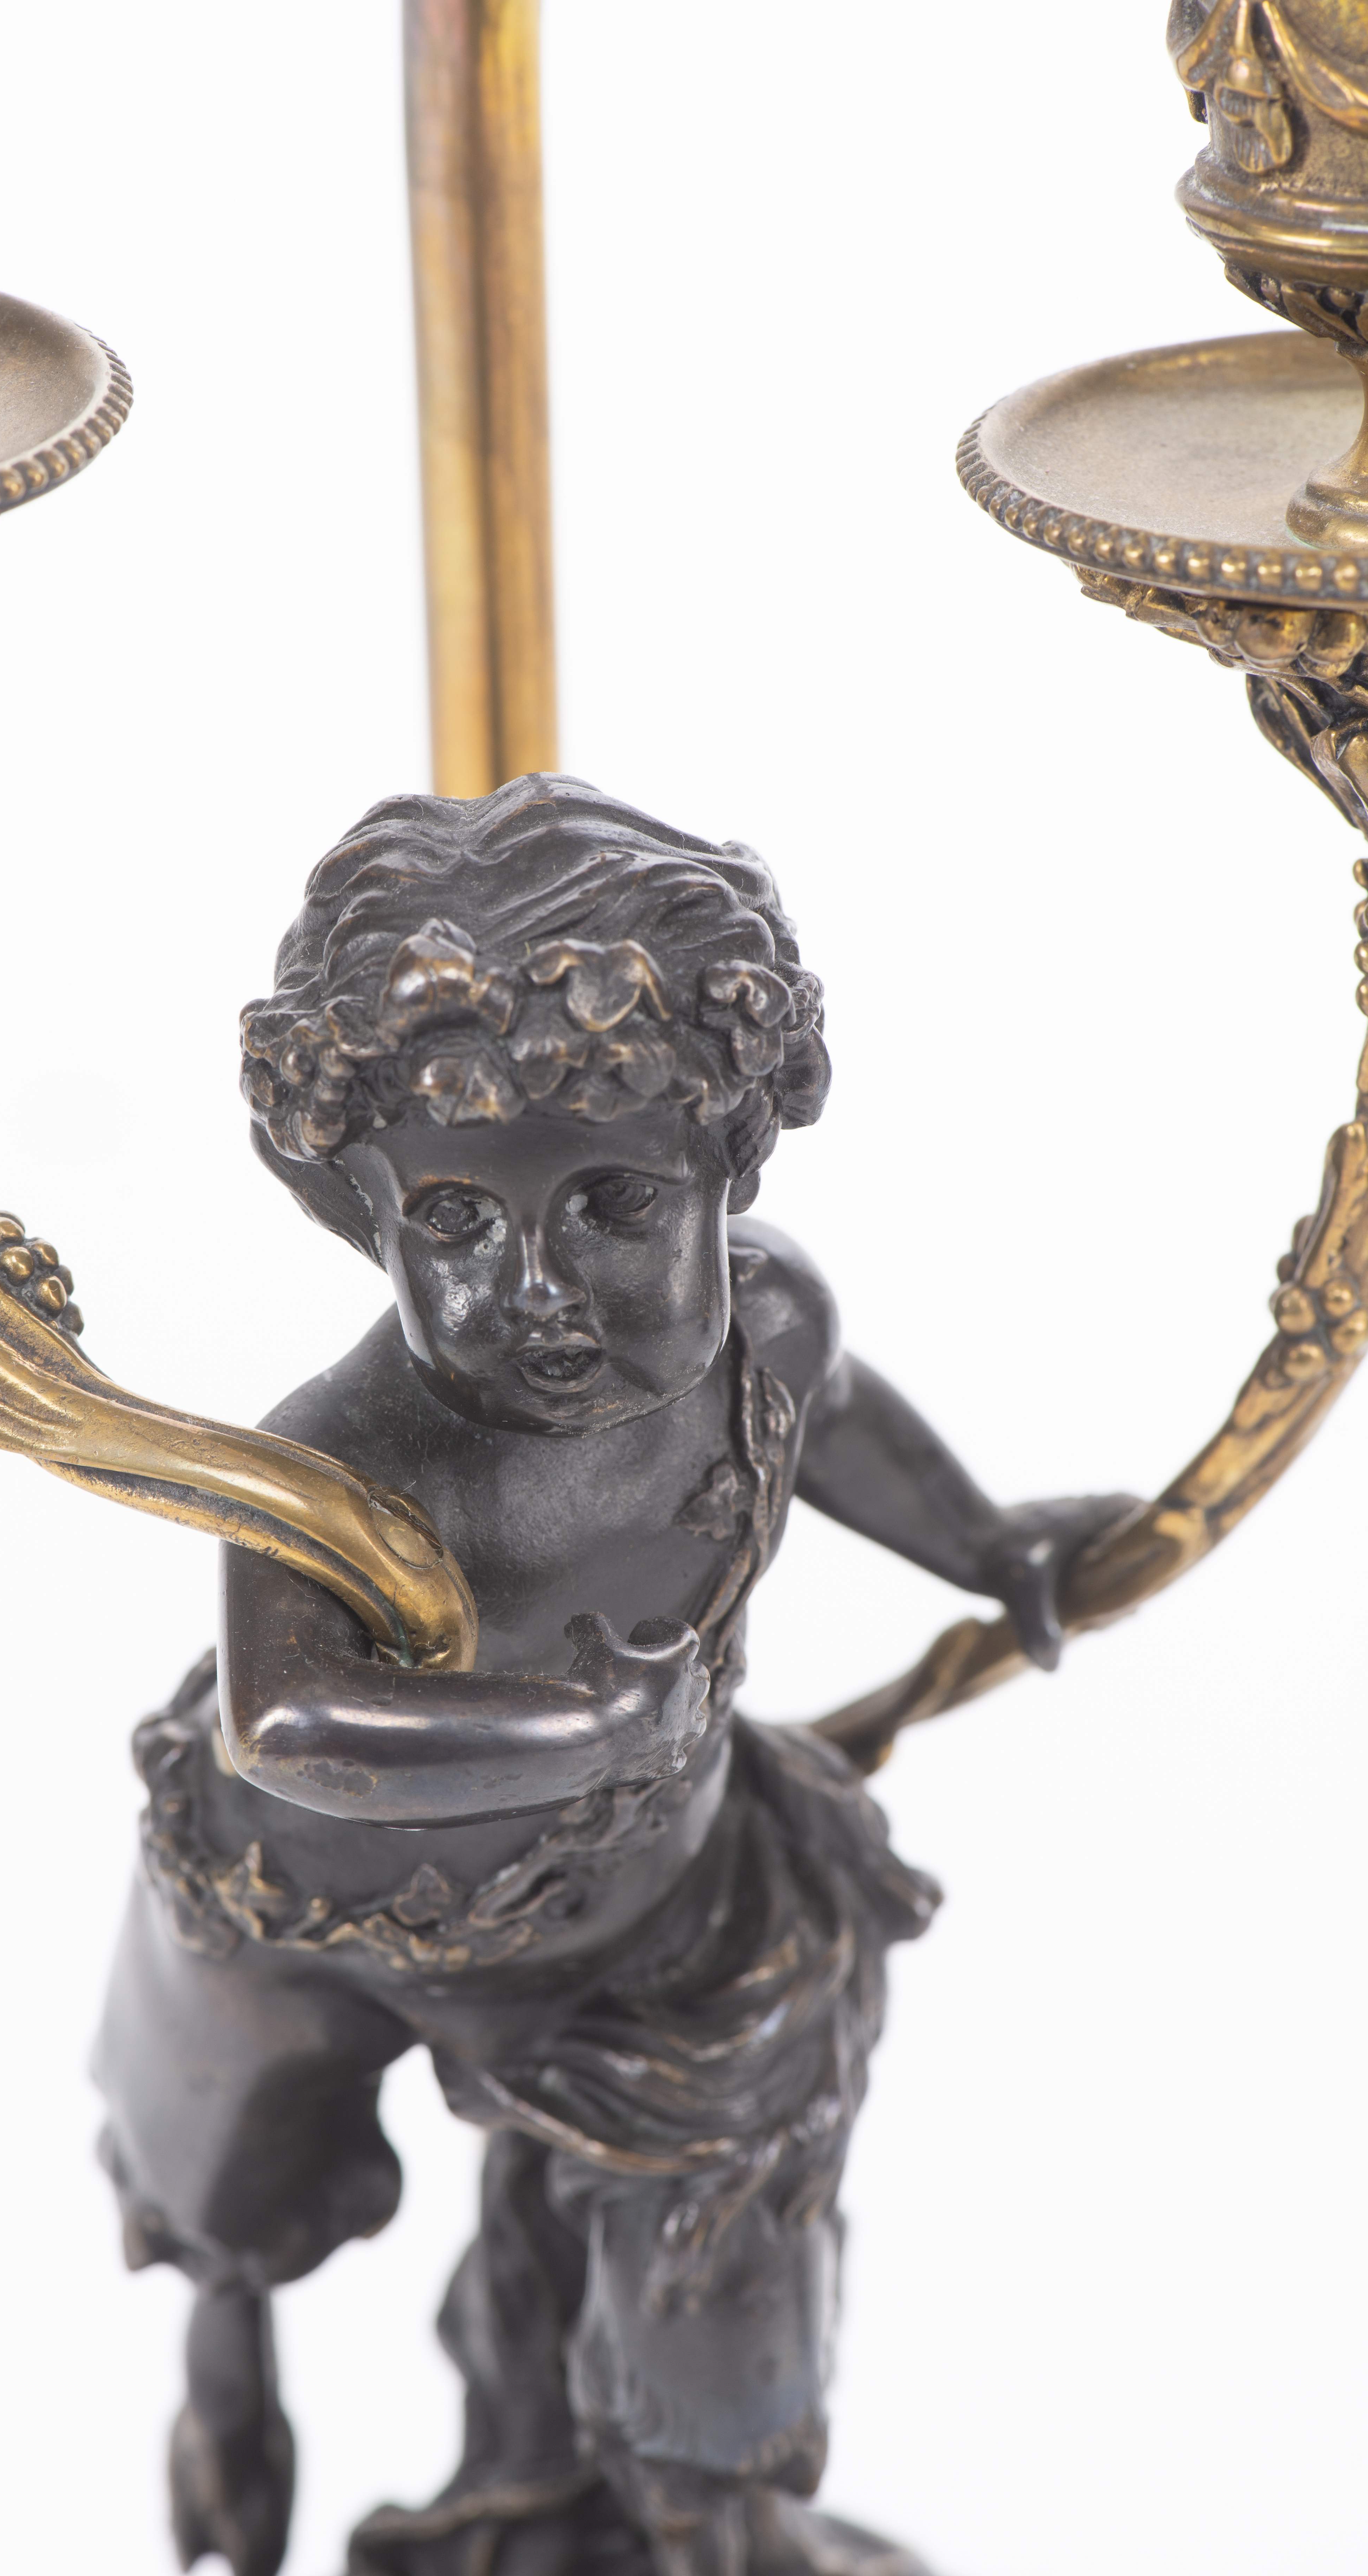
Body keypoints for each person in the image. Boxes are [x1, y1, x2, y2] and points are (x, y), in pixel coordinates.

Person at [94, 776, 1128, 2576]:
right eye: (453, 1220)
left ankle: (703, 2508)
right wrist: (583, 1721)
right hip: (303, 1903)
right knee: (229, 2197)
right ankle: (229, 2396)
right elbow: (288, 1721)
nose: (538, 1288)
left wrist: (990, 1546)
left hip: (644, 1902)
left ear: (731, 1160)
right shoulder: (331, 1464)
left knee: (729, 2246)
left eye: (614, 1202)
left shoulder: (763, 1327)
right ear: (358, 1207)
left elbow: (828, 1422)